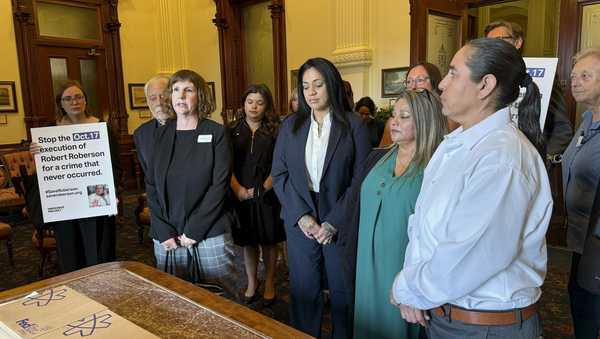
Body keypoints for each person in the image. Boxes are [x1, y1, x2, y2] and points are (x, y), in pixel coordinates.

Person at [391, 38, 552, 338]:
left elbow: (470, 254)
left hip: (485, 325)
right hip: (450, 313)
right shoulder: (455, 144)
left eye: (453, 73)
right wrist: (416, 289)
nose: (441, 85)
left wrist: (408, 287)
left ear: (485, 85)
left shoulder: (502, 158)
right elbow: (425, 228)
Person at [272, 57, 371, 338]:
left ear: (332, 84)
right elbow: (279, 175)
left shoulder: (353, 125)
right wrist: (301, 216)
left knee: (342, 293)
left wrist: (333, 222)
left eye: (318, 84)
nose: (311, 92)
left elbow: (360, 179)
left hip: (339, 216)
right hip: (300, 215)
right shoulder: (291, 125)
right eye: (305, 86)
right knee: (304, 291)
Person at [343, 89, 446, 338]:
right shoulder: (378, 157)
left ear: (423, 122)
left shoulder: (436, 167)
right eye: (393, 115)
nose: (394, 122)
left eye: (404, 116)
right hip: (366, 266)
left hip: (404, 270)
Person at [145, 69, 237, 294]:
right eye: (176, 90)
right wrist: (162, 229)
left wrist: (195, 230)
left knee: (221, 304)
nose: (181, 96)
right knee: (174, 304)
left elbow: (220, 185)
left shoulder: (216, 133)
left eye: (188, 90)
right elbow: (151, 185)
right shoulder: (161, 134)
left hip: (208, 231)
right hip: (167, 235)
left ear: (200, 96)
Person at [29, 80, 119, 272]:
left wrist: (114, 193)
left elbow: (115, 165)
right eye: (67, 98)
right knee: (70, 254)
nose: (74, 102)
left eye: (78, 97)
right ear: (60, 103)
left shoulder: (102, 127)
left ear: (85, 100)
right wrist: (36, 153)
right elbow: (45, 171)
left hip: (96, 198)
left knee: (99, 253)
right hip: (65, 202)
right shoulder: (50, 131)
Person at [229, 84, 285, 306]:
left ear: (267, 106)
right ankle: (252, 282)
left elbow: (281, 163)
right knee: (248, 242)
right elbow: (226, 165)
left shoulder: (275, 130)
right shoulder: (231, 130)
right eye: (250, 101)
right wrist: (238, 190)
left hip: (268, 194)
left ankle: (270, 281)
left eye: (260, 102)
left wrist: (263, 188)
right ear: (243, 104)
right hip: (240, 194)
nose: (254, 106)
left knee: (269, 241)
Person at [485, 20, 573, 160]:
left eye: (500, 40)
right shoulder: (485, 77)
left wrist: (543, 160)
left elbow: (562, 130)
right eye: (489, 43)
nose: (494, 47)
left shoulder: (541, 76)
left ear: (518, 42)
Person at [561, 47, 600, 338]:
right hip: (579, 241)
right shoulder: (586, 121)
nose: (575, 81)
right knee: (579, 307)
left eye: (585, 76)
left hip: (597, 245)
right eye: (574, 76)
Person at [133, 74, 172, 175]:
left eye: (163, 96)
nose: (159, 102)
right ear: (147, 102)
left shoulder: (191, 125)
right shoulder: (141, 134)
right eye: (153, 98)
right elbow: (148, 173)